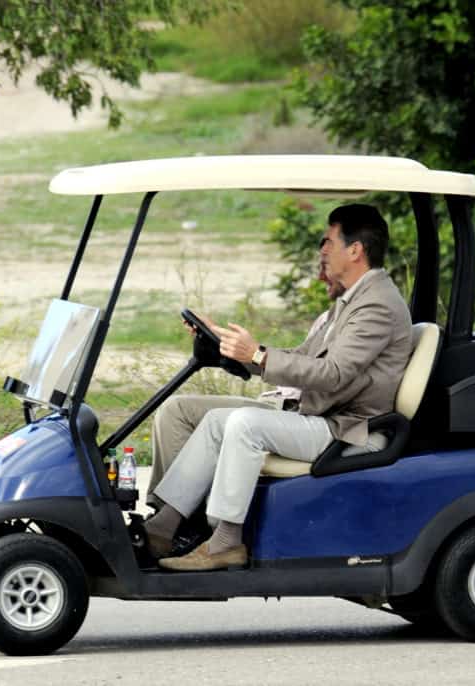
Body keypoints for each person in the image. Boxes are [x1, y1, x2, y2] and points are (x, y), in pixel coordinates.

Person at [145, 203, 413, 572]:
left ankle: (225, 542)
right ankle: (165, 528)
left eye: (329, 242)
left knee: (243, 424)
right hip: (319, 413)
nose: (322, 250)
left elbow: (333, 374)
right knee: (196, 415)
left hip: (349, 428)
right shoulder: (350, 301)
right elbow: (302, 358)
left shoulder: (377, 305)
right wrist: (232, 347)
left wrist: (258, 353)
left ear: (355, 250)